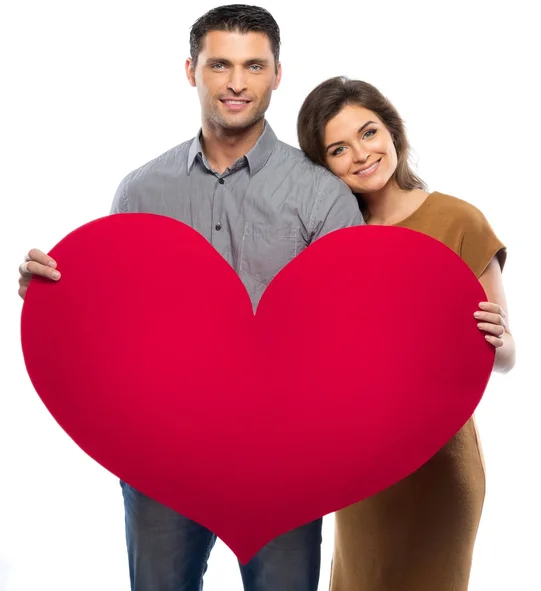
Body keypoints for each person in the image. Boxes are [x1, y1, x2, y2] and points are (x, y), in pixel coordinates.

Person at [17, 7, 364, 591]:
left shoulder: (323, 195)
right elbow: (114, 323)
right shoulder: (141, 189)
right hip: (161, 453)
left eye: (254, 65)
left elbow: (348, 331)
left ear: (278, 74)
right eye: (219, 64)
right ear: (191, 70)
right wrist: (55, 299)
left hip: (281, 457)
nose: (236, 83)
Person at [297, 76, 516, 591]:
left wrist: (500, 339)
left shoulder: (458, 219)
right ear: (323, 164)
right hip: (361, 463)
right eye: (338, 149)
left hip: (440, 463)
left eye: (369, 132)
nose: (361, 154)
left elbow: (503, 356)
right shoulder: (331, 238)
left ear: (392, 131)